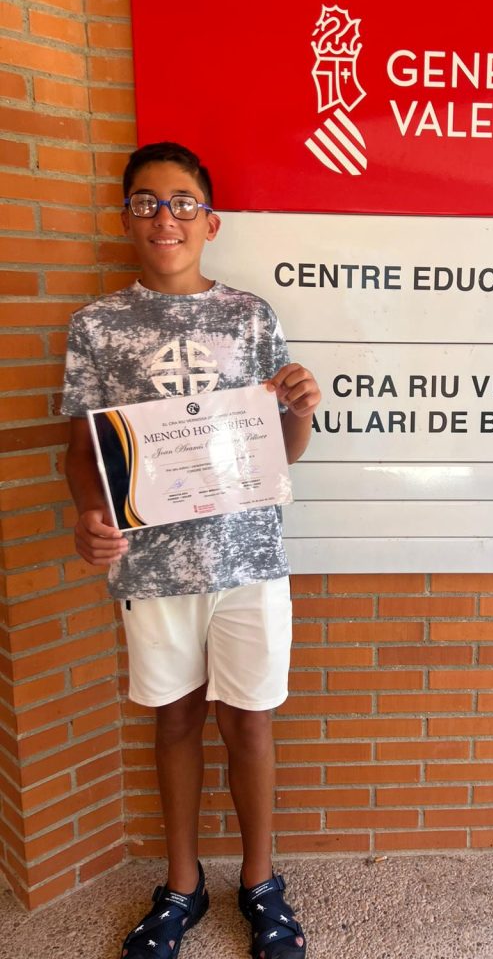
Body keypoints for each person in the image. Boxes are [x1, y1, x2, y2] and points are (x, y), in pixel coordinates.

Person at [61, 142, 319, 959]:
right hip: (152, 565)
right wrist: (89, 514)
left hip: (247, 558)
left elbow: (278, 451)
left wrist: (300, 411)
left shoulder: (249, 317)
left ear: (210, 222)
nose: (163, 217)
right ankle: (181, 884)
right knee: (174, 718)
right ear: (125, 219)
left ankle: (260, 882)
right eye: (145, 202)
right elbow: (82, 448)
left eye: (181, 202)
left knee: (249, 721)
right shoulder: (98, 326)